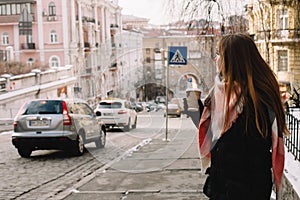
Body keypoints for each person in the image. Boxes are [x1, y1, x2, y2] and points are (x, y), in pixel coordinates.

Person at [198, 33, 289, 200]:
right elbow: (221, 135)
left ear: (232, 60)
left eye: (219, 54)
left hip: (242, 190)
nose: (215, 59)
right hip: (226, 186)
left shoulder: (254, 102)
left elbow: (244, 149)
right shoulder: (223, 94)